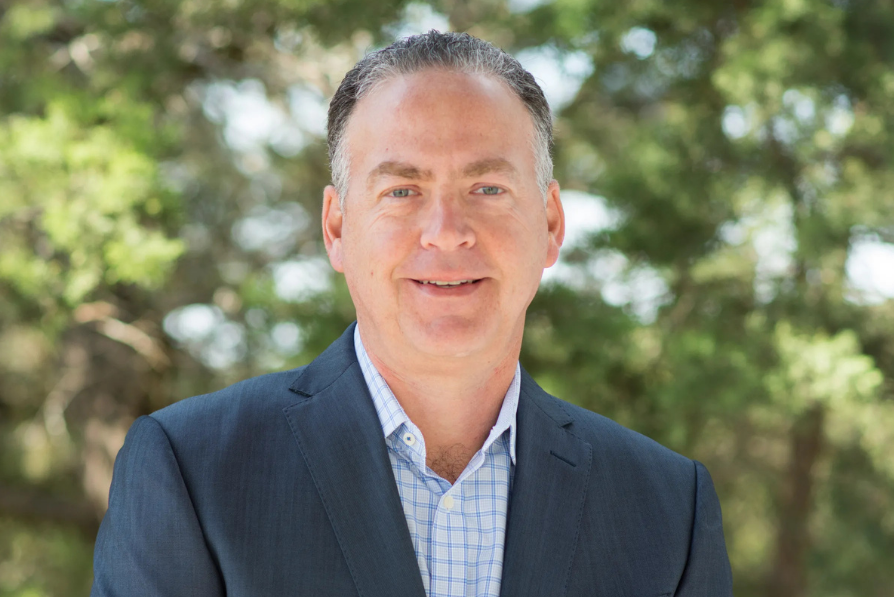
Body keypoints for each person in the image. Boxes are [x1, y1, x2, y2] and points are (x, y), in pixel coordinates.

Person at [91, 31, 733, 597]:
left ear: (551, 222)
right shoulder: (192, 470)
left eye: (488, 189)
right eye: (402, 191)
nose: (447, 232)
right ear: (337, 227)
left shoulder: (668, 510)